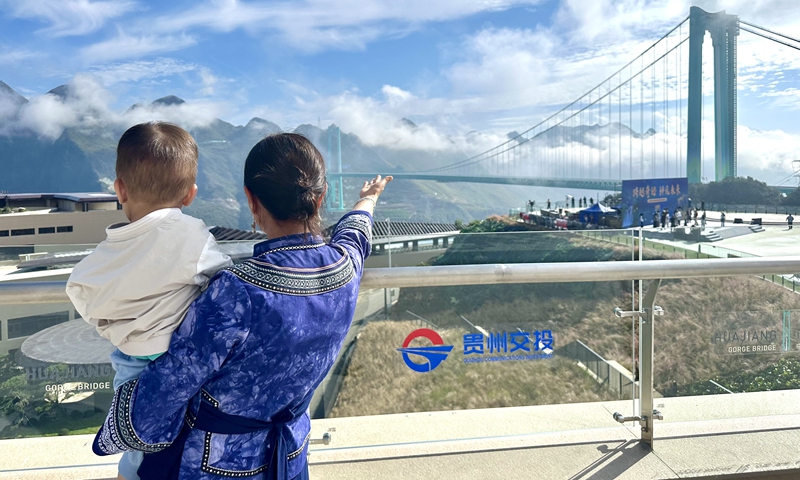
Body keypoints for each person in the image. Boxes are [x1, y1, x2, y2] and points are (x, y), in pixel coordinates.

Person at [91, 133, 392, 480]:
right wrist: (368, 200)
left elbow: (170, 385)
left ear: (250, 200)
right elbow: (356, 233)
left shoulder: (237, 291)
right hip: (289, 455)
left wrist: (121, 437)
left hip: (214, 465)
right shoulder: (345, 266)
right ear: (320, 197)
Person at [66, 122, 232, 480]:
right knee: (187, 438)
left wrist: (114, 328)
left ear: (120, 190)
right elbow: (225, 284)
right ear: (190, 194)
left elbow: (78, 289)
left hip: (131, 364)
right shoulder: (192, 234)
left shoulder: (106, 253)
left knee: (139, 441)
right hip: (184, 364)